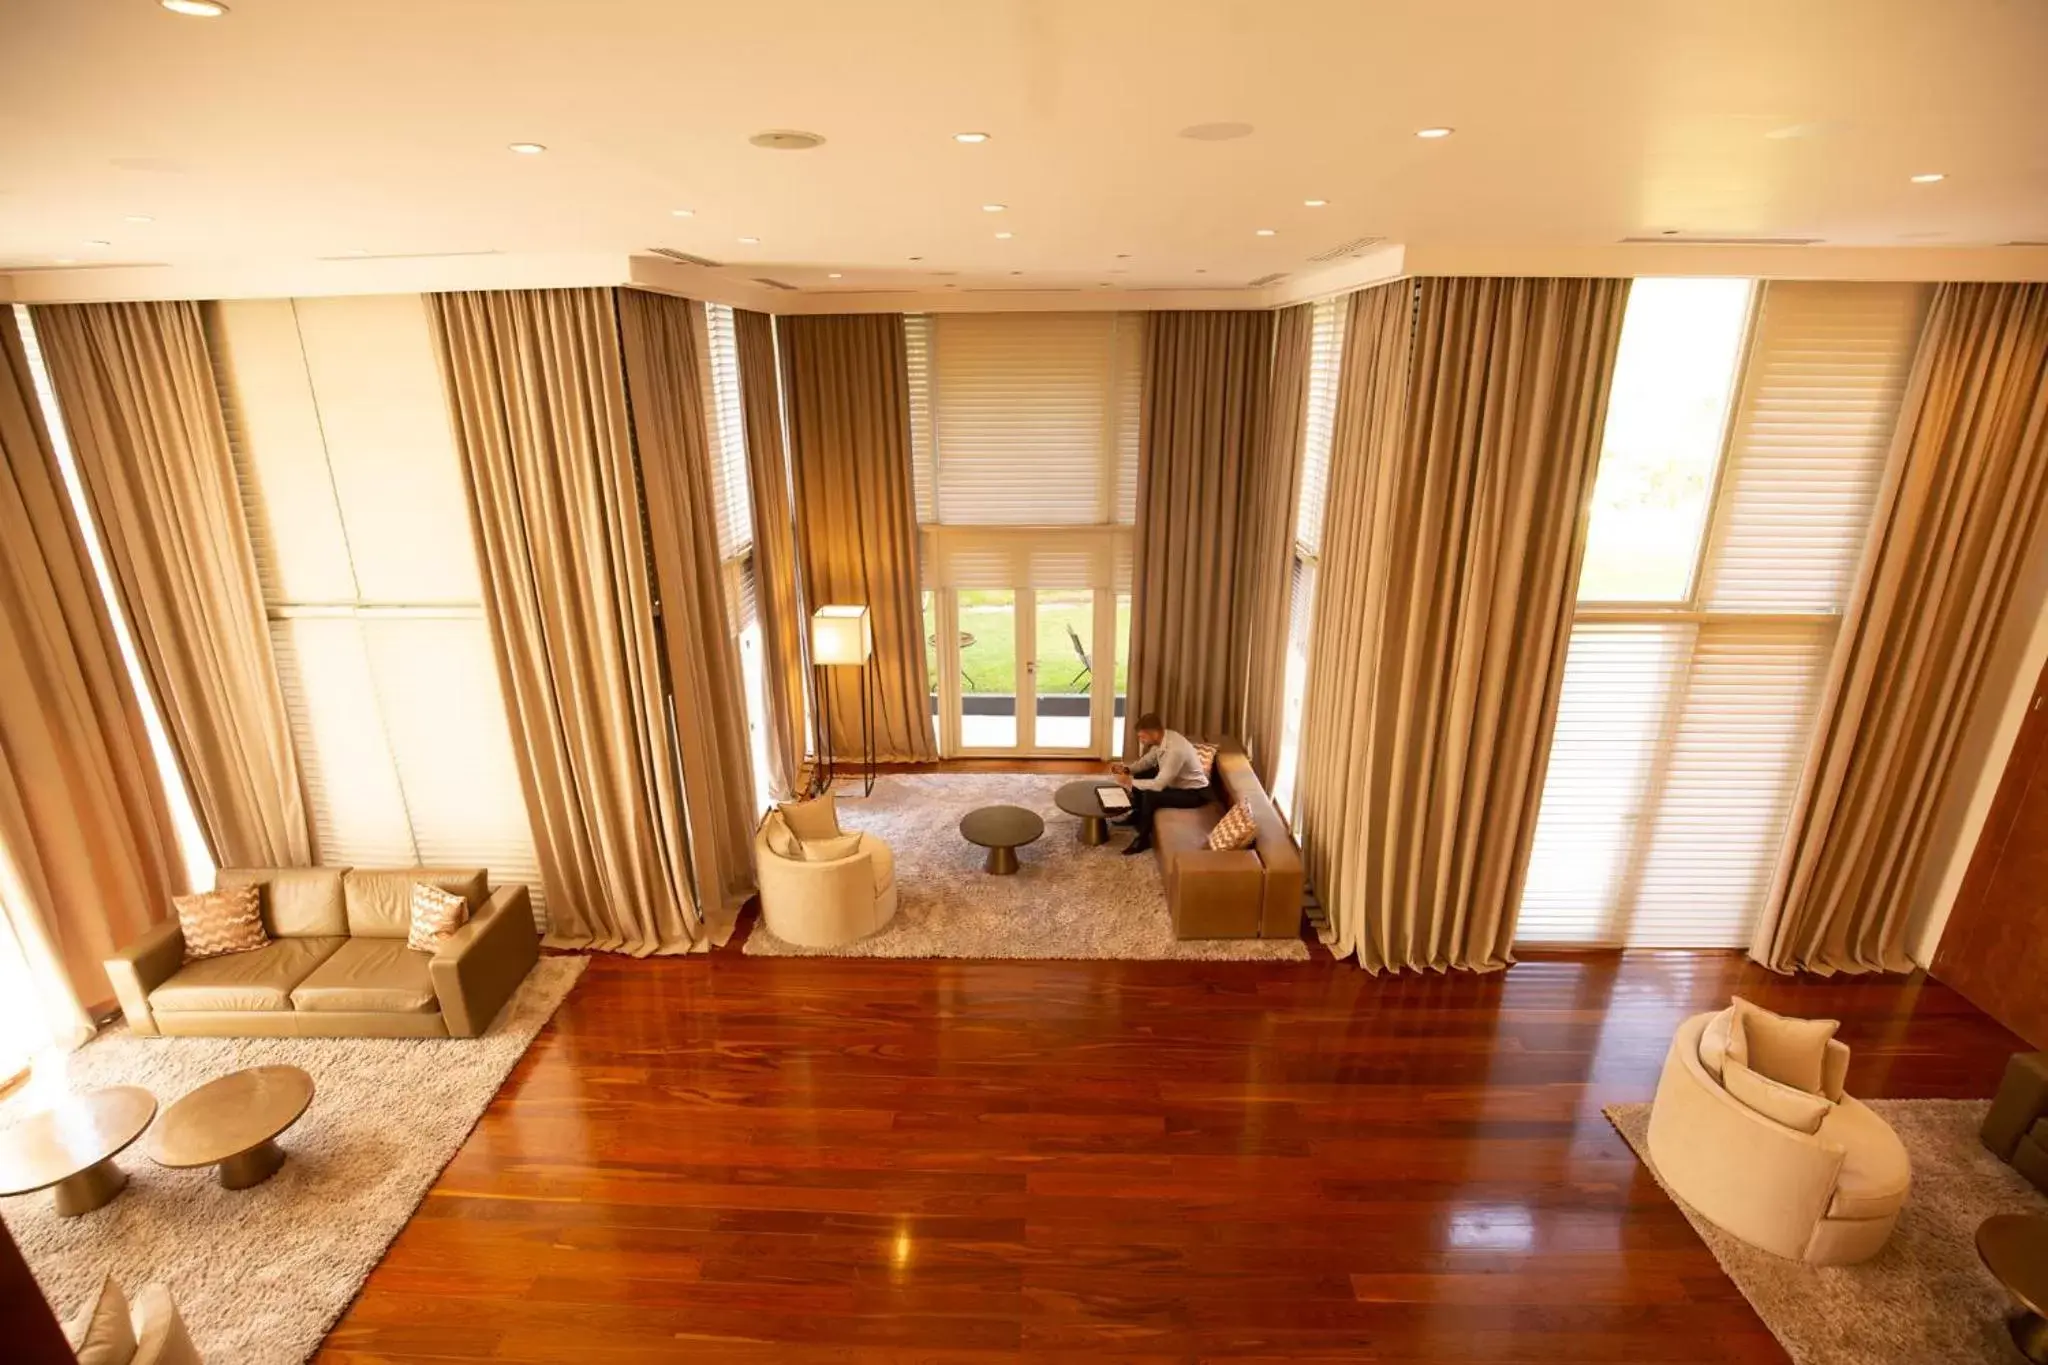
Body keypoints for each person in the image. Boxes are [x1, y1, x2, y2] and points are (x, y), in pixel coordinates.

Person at [1109, 714, 1210, 855]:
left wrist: (1129, 782)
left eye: (1142, 737)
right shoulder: (1163, 739)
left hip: (1193, 793)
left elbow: (1159, 785)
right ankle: (1137, 815)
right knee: (1142, 774)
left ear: (1154, 733)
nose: (1141, 740)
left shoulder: (1175, 750)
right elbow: (1147, 762)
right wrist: (1127, 769)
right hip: (1175, 782)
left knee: (1151, 796)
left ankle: (1143, 840)